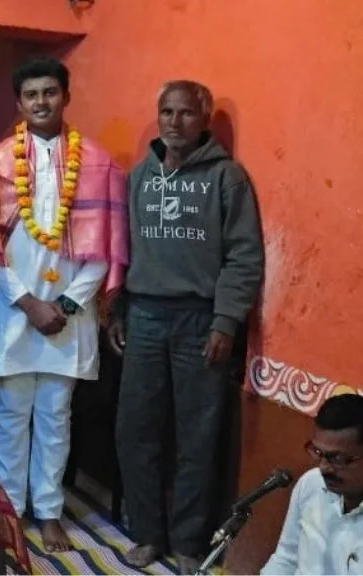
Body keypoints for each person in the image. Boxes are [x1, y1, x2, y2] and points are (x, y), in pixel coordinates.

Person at [110, 79, 265, 572]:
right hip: (144, 316)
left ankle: (187, 542)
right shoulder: (139, 177)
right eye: (166, 112)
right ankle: (147, 534)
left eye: (186, 113)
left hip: (200, 321)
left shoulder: (226, 179)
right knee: (136, 429)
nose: (174, 122)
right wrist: (118, 308)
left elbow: (244, 257)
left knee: (197, 435)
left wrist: (225, 321)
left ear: (204, 120)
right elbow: (122, 248)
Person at [0, 57, 128, 552]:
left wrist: (64, 302)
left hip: (69, 313)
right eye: (31, 95)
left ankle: (48, 510)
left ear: (66, 96)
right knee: (10, 412)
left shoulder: (98, 164)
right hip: (11, 306)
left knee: (56, 414)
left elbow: (105, 248)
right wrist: (27, 302)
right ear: (19, 103)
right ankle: (9, 507)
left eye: (50, 92)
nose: (41, 102)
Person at [262, 393, 363, 575]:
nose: (324, 467)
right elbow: (286, 559)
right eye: (318, 452)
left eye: (337, 458)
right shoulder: (312, 484)